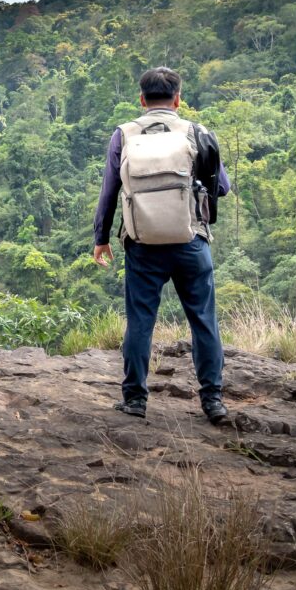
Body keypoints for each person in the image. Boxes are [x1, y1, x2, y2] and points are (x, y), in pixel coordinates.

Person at [91, 67, 231, 424]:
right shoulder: (197, 133)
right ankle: (212, 401)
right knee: (203, 320)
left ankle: (135, 399)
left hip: (142, 244)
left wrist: (101, 239)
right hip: (191, 243)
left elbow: (110, 192)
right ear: (178, 99)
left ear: (141, 99)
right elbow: (223, 187)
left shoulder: (123, 135)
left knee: (141, 321)